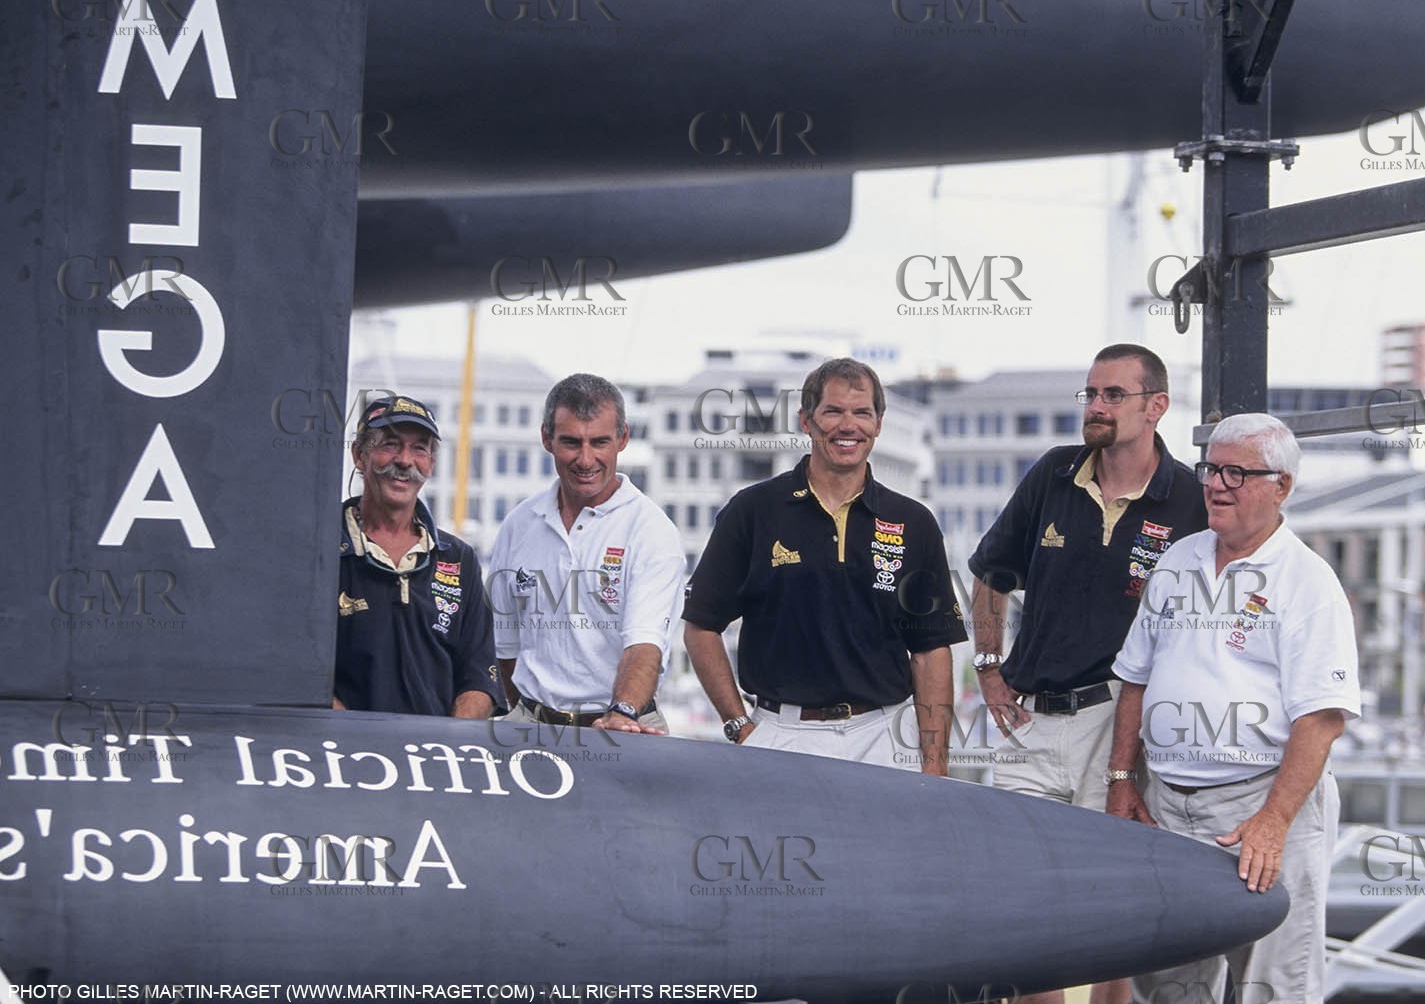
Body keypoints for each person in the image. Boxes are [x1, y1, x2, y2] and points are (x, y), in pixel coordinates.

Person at [967, 344, 1206, 1004]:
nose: (1095, 407)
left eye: (1112, 395)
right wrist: (988, 668)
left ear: (1156, 406)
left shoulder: (1188, 499)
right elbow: (992, 574)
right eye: (1090, 394)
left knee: (1118, 908)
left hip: (1121, 726)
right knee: (1028, 908)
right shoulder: (1052, 472)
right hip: (1029, 720)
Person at [1107, 413, 1362, 1004]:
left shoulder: (1307, 582)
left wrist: (1272, 823)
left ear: (1282, 487)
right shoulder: (1176, 561)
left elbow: (1322, 718)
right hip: (1166, 809)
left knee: (1273, 985)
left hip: (1260, 807)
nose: (1216, 485)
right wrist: (1121, 780)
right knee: (1167, 984)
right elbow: (1135, 681)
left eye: (1236, 473)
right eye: (1211, 469)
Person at [683, 357, 964, 773]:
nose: (847, 426)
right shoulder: (753, 511)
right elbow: (701, 627)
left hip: (883, 738)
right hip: (780, 736)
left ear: (879, 423)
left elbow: (930, 652)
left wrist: (935, 765)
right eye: (833, 411)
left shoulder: (914, 521)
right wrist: (740, 724)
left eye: (862, 413)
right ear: (806, 421)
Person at [490, 374, 684, 734]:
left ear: (622, 439)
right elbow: (506, 647)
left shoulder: (651, 531)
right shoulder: (519, 524)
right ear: (546, 438)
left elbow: (644, 645)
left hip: (623, 725)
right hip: (528, 726)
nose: (585, 459)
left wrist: (622, 712)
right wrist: (529, 715)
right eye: (570, 442)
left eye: (599, 442)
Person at [335, 395, 500, 718]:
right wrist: (352, 741)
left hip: (432, 762)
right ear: (359, 455)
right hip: (341, 760)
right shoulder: (322, 553)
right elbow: (300, 672)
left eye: (419, 448)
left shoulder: (459, 559)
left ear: (431, 464)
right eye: (391, 444)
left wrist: (444, 744)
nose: (405, 460)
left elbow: (480, 677)